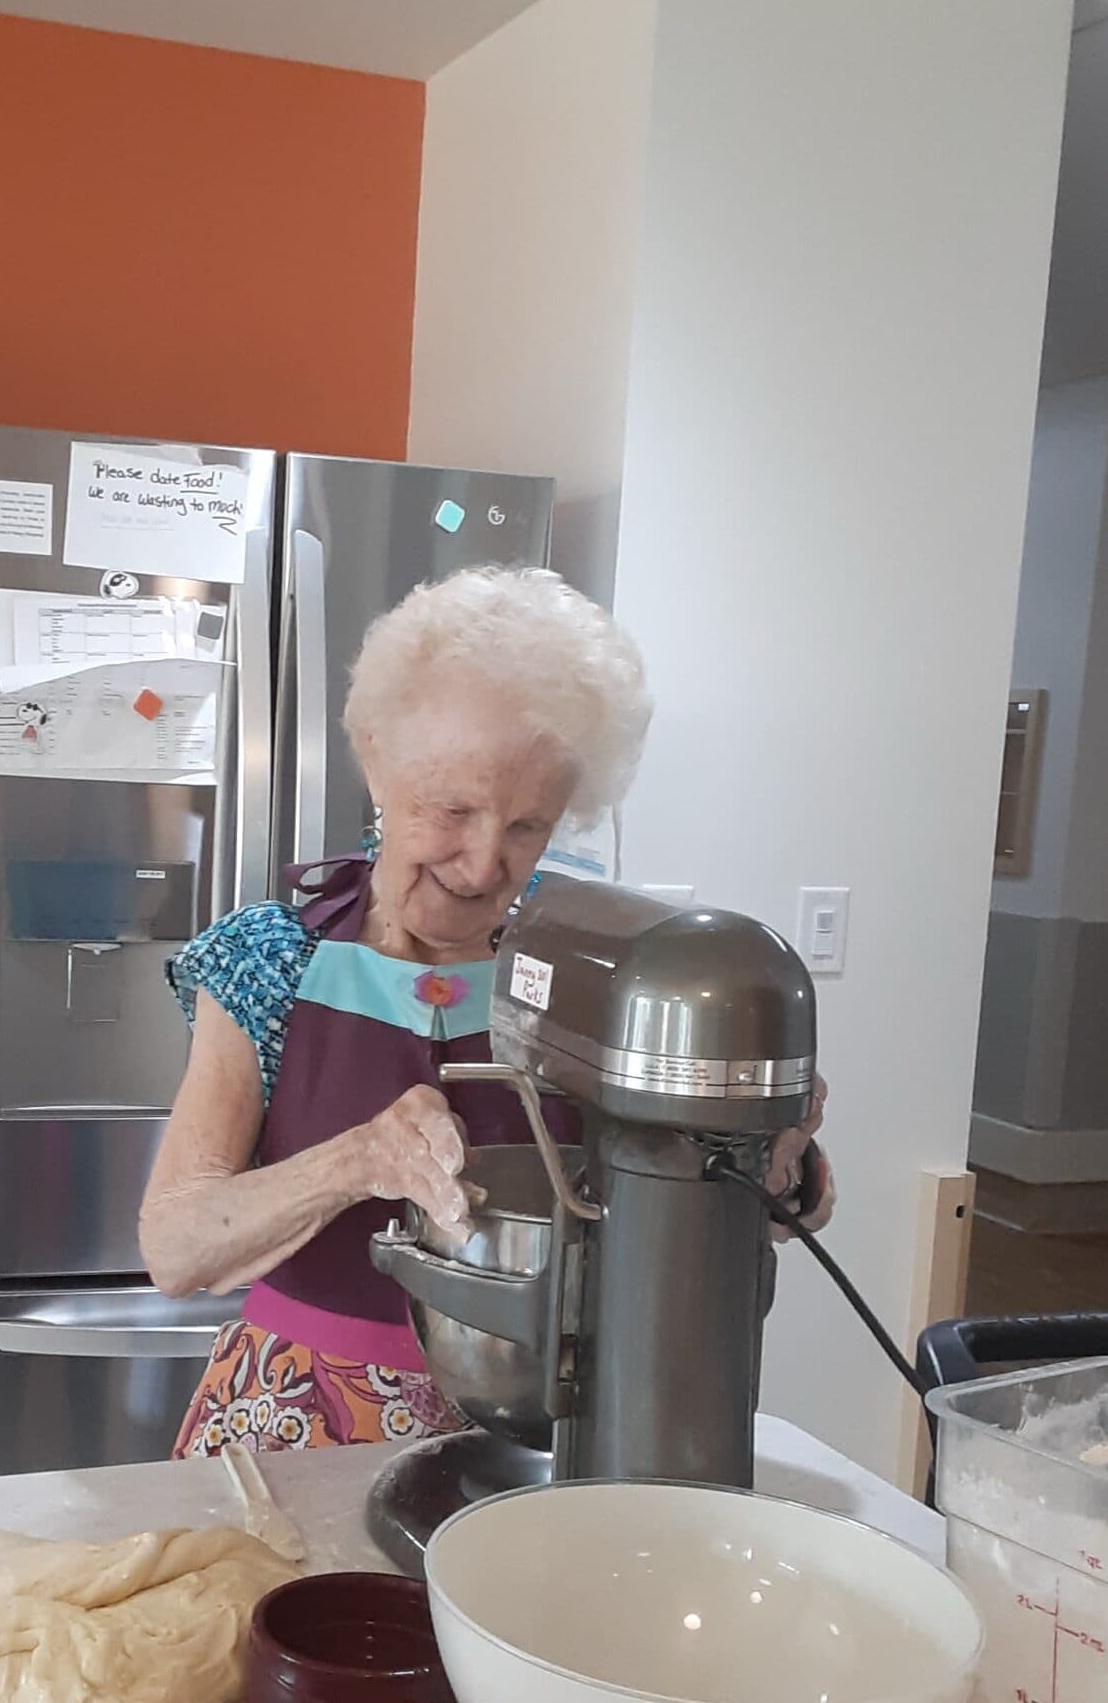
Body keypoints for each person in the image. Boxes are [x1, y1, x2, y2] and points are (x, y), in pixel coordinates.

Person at [139, 566, 832, 1456]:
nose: (479, 865)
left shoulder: (600, 963)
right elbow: (178, 1246)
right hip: (298, 1422)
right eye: (452, 809)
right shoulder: (270, 958)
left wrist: (771, 1165)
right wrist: (361, 1159)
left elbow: (756, 1211)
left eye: (526, 827)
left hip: (548, 1428)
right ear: (378, 767)